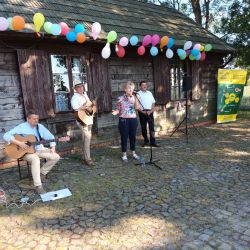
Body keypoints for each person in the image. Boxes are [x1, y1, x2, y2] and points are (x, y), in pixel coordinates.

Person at [3, 110, 60, 194]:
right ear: (28, 119)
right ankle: (38, 186)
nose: (36, 120)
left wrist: (53, 147)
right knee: (35, 159)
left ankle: (42, 173)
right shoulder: (22, 127)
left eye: (37, 118)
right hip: (24, 152)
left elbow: (50, 136)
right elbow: (6, 135)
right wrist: (19, 143)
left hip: (39, 149)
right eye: (34, 119)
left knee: (56, 156)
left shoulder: (40, 127)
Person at [112, 81, 140, 162]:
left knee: (133, 137)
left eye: (131, 88)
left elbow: (137, 107)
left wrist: (135, 97)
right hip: (123, 120)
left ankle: (133, 153)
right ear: (125, 89)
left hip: (133, 119)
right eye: (128, 88)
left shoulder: (134, 97)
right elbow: (118, 109)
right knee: (124, 137)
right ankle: (124, 155)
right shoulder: (120, 98)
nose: (130, 90)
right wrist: (116, 112)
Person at [71, 82, 96, 166]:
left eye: (82, 87)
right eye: (78, 87)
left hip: (88, 118)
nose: (81, 88)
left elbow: (89, 106)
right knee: (87, 138)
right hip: (81, 120)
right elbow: (75, 107)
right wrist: (86, 107)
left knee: (85, 139)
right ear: (75, 89)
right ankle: (87, 159)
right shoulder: (75, 97)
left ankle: (84, 156)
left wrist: (93, 105)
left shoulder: (85, 95)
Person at [137, 81, 160, 147]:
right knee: (143, 128)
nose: (144, 86)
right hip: (142, 113)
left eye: (145, 85)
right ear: (140, 86)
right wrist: (143, 112)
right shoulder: (138, 94)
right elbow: (137, 106)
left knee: (152, 128)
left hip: (150, 112)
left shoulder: (149, 93)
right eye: (143, 85)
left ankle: (153, 142)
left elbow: (153, 103)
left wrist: (151, 111)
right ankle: (146, 141)